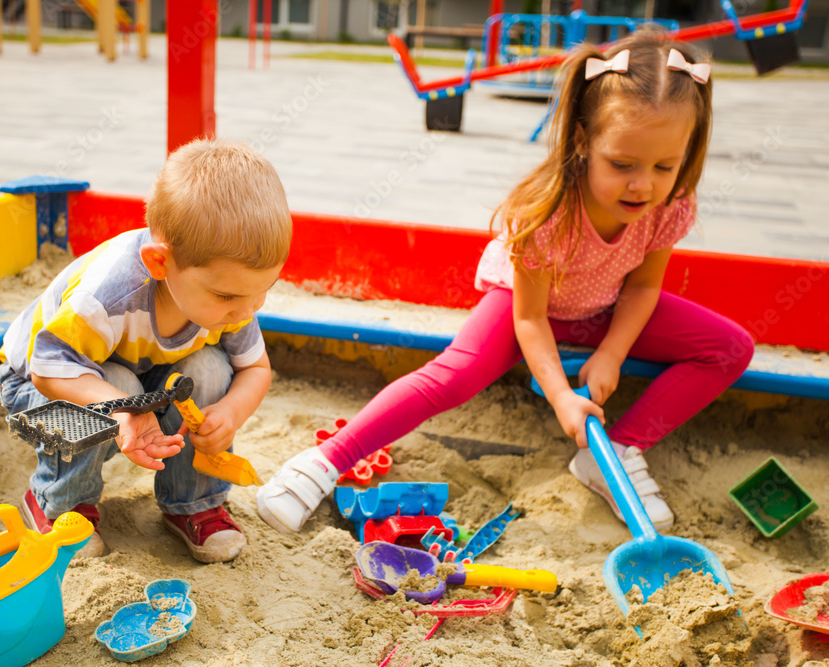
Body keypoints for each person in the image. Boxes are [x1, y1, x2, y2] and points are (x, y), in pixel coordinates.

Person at [256, 28, 754, 535]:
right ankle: (322, 462)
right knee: (452, 376)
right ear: (583, 139)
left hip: (604, 307)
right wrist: (562, 397)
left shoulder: (667, 206)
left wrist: (612, 354)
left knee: (731, 348)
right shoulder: (548, 215)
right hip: (527, 306)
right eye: (622, 164)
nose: (642, 184)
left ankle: (616, 453)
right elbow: (530, 318)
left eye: (664, 166)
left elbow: (644, 288)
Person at [0, 138, 291, 562]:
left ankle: (193, 502)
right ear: (159, 263)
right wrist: (126, 407)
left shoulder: (234, 297)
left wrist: (230, 413)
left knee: (208, 370)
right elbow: (49, 370)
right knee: (116, 381)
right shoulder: (108, 296)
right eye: (227, 296)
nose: (247, 310)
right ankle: (58, 502)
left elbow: (255, 369)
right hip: (42, 384)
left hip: (139, 376)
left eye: (265, 291)